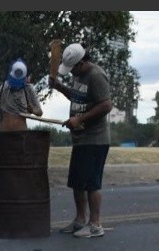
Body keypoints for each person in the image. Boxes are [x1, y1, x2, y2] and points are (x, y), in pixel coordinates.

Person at [48, 43, 113, 238]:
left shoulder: (95, 75)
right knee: (77, 182)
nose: (71, 73)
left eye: (74, 68)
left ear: (83, 62)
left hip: (95, 139)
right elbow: (77, 97)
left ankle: (95, 225)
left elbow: (106, 105)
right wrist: (59, 87)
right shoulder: (78, 76)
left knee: (92, 183)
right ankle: (79, 221)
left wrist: (80, 119)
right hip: (81, 139)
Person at [0, 58, 43, 131]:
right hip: (3, 133)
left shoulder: (29, 89)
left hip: (21, 134)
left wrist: (32, 110)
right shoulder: (4, 86)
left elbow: (39, 112)